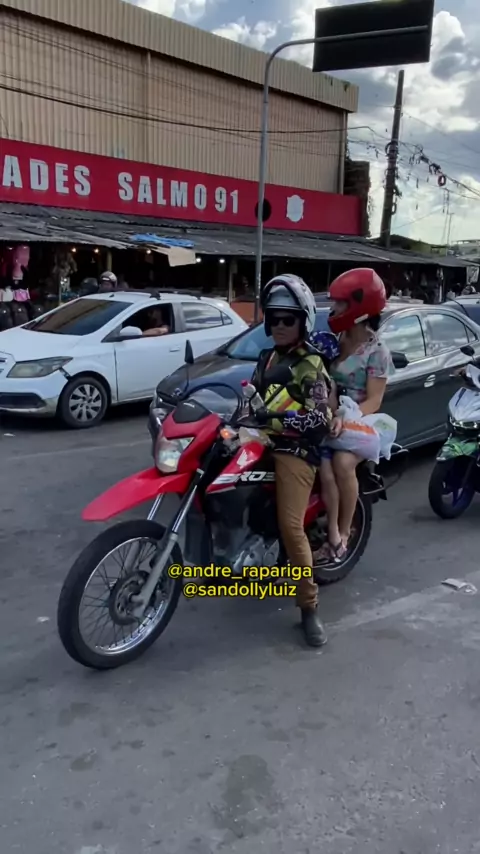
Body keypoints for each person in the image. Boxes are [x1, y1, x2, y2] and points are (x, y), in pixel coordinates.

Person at [251, 274, 334, 648]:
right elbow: (251, 399)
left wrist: (281, 419)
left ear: (303, 321)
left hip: (295, 449)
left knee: (291, 525)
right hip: (258, 441)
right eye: (274, 318)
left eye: (289, 318)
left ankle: (309, 607)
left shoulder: (310, 364)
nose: (280, 325)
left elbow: (320, 416)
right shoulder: (266, 357)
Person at [314, 269, 392, 562]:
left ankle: (343, 535)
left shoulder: (377, 351)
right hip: (330, 414)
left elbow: (374, 400)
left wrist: (346, 418)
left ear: (360, 307)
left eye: (340, 303)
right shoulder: (334, 340)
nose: (334, 309)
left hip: (361, 419)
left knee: (343, 463)